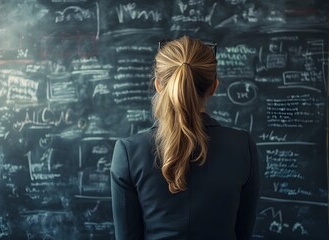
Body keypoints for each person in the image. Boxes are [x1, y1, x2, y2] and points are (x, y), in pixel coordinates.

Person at [110, 36, 259, 240]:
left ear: (158, 85)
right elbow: (243, 233)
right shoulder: (243, 147)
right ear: (214, 87)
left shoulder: (128, 152)